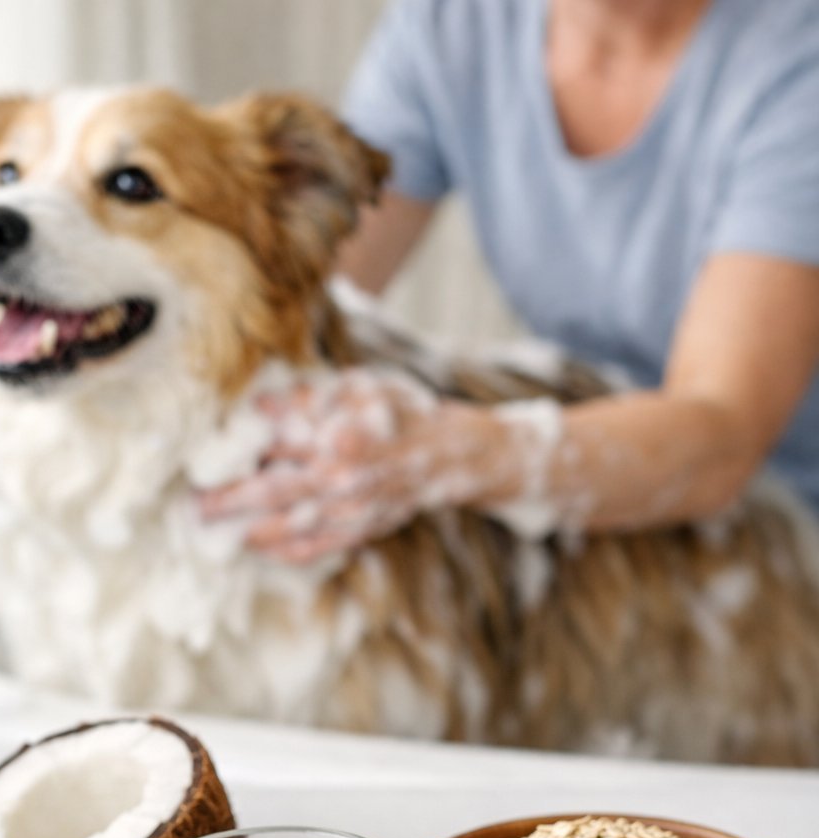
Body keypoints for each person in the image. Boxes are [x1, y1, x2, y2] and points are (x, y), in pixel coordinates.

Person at [200, 0, 819, 562]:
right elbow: (308, 296)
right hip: (598, 513)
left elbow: (724, 439)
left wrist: (462, 455)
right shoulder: (452, 24)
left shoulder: (794, 60)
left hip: (787, 524)